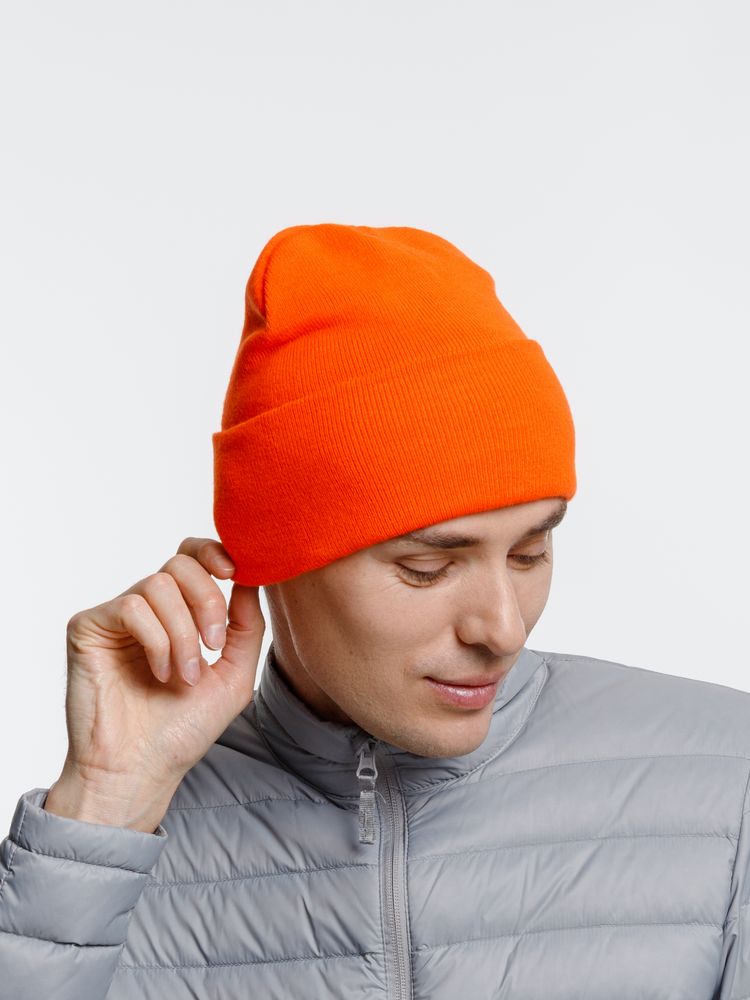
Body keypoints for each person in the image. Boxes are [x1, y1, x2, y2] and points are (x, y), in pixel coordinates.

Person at [1, 224, 748, 999]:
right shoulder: (119, 836)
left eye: (530, 552)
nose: (503, 628)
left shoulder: (730, 784)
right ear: (277, 559)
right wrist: (102, 810)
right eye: (428, 568)